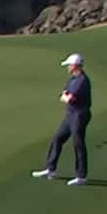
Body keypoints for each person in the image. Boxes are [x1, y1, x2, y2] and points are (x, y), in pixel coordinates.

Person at [32, 52, 92, 186]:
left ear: (75, 66)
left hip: (79, 115)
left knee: (78, 143)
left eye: (69, 65)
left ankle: (81, 176)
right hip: (70, 114)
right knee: (58, 138)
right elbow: (64, 94)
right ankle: (50, 169)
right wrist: (66, 97)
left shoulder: (82, 80)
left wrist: (66, 97)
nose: (68, 68)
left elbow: (69, 98)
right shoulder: (72, 79)